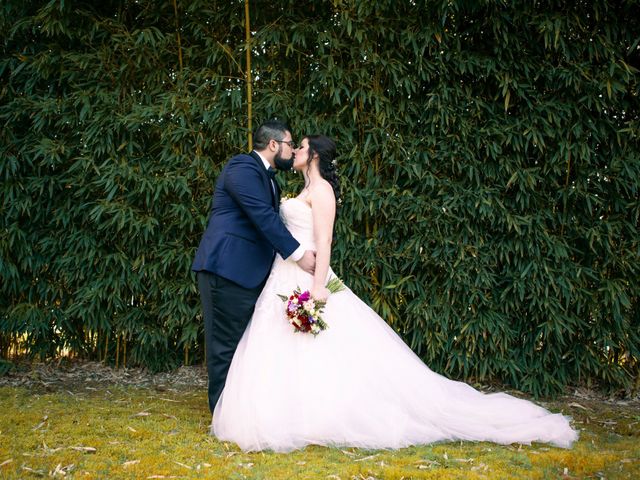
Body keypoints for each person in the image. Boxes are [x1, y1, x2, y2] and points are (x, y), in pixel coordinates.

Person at [212, 135, 579, 452]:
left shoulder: (322, 191)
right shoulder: (300, 189)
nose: (296, 151)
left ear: (316, 155)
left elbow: (324, 242)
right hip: (284, 274)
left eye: (302, 146)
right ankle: (287, 409)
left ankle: (323, 412)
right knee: (281, 343)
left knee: (319, 346)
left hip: (309, 278)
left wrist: (319, 287)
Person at [192, 120, 316, 414]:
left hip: (246, 273)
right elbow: (262, 217)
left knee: (244, 344)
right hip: (226, 268)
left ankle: (238, 409)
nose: (292, 149)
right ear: (274, 145)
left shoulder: (269, 177)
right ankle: (222, 414)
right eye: (290, 144)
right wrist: (298, 254)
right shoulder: (242, 168)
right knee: (224, 345)